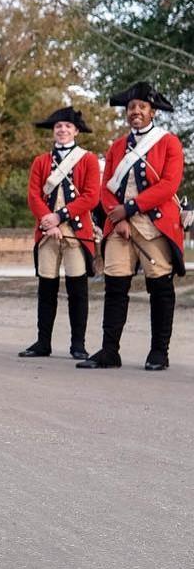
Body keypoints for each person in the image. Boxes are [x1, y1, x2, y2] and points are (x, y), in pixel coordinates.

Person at [78, 82, 185, 371]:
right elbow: (106, 187)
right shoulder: (116, 147)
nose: (135, 111)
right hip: (121, 225)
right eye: (131, 108)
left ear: (152, 112)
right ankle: (110, 351)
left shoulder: (169, 143)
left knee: (160, 288)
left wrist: (132, 208)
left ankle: (159, 352)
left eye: (142, 107)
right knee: (115, 287)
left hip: (154, 225)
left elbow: (168, 185)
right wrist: (119, 216)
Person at [19, 107, 99, 360]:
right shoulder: (41, 161)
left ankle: (78, 344)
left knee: (78, 289)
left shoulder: (87, 159)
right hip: (47, 232)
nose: (62, 130)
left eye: (67, 126)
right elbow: (33, 195)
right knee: (46, 288)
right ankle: (43, 342)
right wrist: (48, 222)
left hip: (75, 233)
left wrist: (60, 216)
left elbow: (91, 196)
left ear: (76, 130)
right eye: (58, 127)